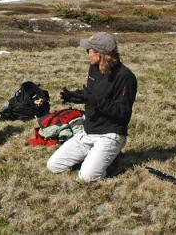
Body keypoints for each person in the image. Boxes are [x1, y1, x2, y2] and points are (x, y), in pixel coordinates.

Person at [47, 32, 137, 182]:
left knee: (86, 178)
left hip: (111, 134)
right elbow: (92, 94)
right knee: (53, 166)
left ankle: (109, 159)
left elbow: (122, 112)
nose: (87, 53)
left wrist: (93, 100)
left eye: (88, 50)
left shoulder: (125, 77)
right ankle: (96, 155)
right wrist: (76, 96)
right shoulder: (94, 68)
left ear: (100, 53)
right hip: (89, 130)